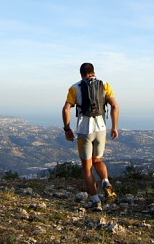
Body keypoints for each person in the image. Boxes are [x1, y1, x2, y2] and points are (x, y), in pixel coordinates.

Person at [62, 62, 120, 211]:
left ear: (81, 74)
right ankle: (106, 181)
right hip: (101, 129)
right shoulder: (105, 85)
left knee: (87, 167)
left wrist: (67, 129)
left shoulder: (75, 87)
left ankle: (96, 201)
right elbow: (114, 105)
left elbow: (66, 108)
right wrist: (114, 127)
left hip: (84, 131)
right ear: (94, 72)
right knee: (98, 160)